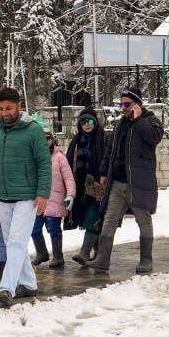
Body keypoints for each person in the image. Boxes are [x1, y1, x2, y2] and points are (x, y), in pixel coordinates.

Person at [86, 88, 164, 274]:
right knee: (109, 219)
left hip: (139, 183)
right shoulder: (121, 123)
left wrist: (138, 120)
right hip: (118, 182)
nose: (123, 108)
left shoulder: (150, 121)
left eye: (127, 104)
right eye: (121, 104)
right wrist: (104, 171)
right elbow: (111, 148)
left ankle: (146, 260)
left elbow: (155, 138)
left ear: (137, 104)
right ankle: (103, 259)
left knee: (143, 221)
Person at [0, 87, 51, 307]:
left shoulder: (33, 130)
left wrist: (43, 193)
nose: (5, 112)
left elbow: (44, 163)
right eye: (1, 109)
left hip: (27, 196)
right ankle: (29, 284)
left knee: (15, 242)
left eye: (9, 108)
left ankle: (6, 287)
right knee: (12, 242)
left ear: (19, 106)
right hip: (3, 196)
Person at [66, 108, 106, 266]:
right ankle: (97, 254)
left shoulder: (103, 138)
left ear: (95, 123)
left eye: (89, 121)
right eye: (83, 122)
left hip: (98, 184)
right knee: (91, 218)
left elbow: (107, 158)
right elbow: (70, 161)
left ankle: (84, 252)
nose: (86, 125)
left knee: (93, 216)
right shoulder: (77, 140)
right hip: (82, 186)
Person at [30, 130, 75, 269]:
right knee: (34, 229)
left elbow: (68, 177)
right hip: (39, 200)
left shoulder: (59, 157)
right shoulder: (34, 157)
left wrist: (71, 195)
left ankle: (58, 256)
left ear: (52, 140)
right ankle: (42, 253)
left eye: (47, 139)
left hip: (55, 199)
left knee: (53, 229)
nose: (44, 142)